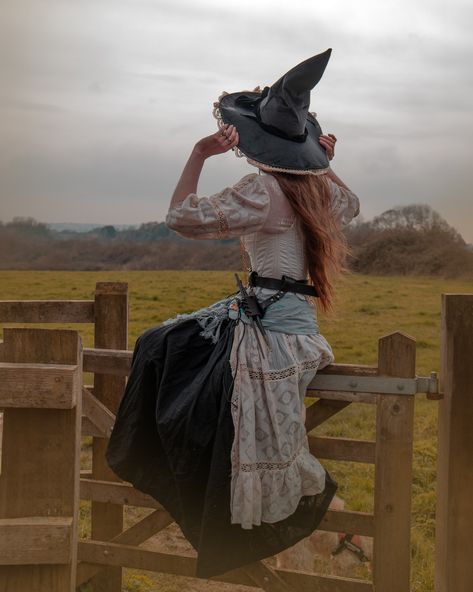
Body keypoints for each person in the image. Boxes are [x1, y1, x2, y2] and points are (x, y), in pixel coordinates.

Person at [106, 48, 360, 578]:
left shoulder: (264, 189)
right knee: (170, 346)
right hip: (298, 328)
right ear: (307, 150)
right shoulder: (318, 191)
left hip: (269, 330)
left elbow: (181, 217)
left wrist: (199, 154)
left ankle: (163, 469)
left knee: (160, 347)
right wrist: (327, 167)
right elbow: (352, 205)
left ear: (258, 140)